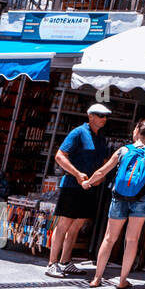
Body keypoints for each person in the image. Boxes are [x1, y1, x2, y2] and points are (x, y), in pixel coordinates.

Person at [85, 120, 145, 289]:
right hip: (141, 199)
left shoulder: (123, 150)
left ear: (136, 131)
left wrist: (89, 182)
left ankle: (97, 278)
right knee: (132, 240)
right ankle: (122, 280)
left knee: (109, 238)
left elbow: (103, 171)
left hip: (119, 197)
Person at [45, 103, 111, 278]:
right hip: (72, 186)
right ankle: (52, 262)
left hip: (89, 187)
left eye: (105, 116)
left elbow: (103, 163)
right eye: (100, 115)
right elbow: (59, 156)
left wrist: (100, 177)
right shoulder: (78, 132)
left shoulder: (101, 139)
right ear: (90, 116)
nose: (104, 119)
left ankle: (65, 262)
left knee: (77, 225)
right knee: (64, 224)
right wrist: (76, 174)